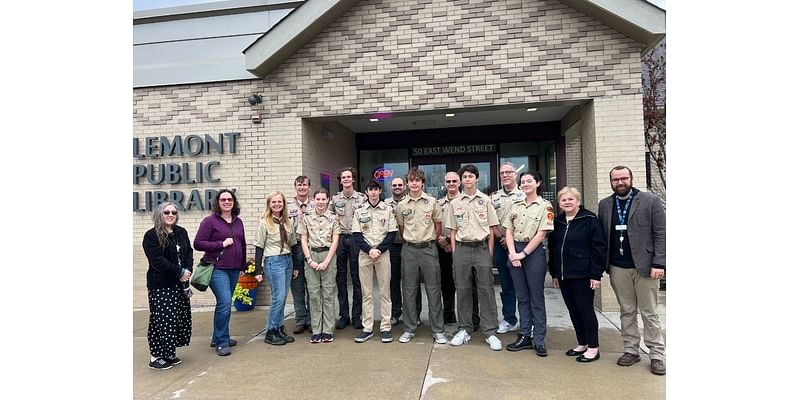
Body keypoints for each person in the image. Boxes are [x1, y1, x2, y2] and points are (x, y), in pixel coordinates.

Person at [598, 166, 666, 375]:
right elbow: (603, 236)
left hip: (645, 266)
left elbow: (661, 232)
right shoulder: (605, 204)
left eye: (623, 178)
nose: (620, 182)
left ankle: (656, 354)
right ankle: (631, 350)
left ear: (631, 179)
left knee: (649, 312)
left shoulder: (649, 200)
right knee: (627, 311)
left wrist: (659, 263)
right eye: (615, 179)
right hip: (618, 267)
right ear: (611, 182)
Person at [445, 164, 503, 351]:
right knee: (462, 290)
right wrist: (455, 253)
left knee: (486, 290)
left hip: (481, 249)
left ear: (477, 178)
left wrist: (489, 253)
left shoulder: (485, 200)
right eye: (465, 177)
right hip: (462, 249)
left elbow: (492, 229)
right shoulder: (455, 203)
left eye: (471, 176)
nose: (467, 179)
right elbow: (452, 231)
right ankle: (464, 329)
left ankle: (490, 331)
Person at [547, 187, 606, 362]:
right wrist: (555, 273)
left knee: (585, 310)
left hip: (583, 275)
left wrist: (596, 275)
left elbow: (599, 248)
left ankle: (593, 348)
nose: (567, 202)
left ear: (578, 201)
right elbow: (553, 249)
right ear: (559, 203)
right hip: (565, 276)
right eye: (563, 200)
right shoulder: (557, 223)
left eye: (570, 199)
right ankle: (582, 343)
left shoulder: (589, 219)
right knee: (573, 310)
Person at [501, 171, 554, 356]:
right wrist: (513, 253)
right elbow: (508, 230)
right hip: (515, 251)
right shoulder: (515, 205)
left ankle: (538, 339)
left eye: (529, 181)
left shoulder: (545, 206)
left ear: (538, 183)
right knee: (522, 297)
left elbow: (542, 234)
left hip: (533, 253)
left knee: (536, 298)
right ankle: (524, 335)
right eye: (522, 181)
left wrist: (523, 254)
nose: (525, 184)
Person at [395, 168, 447, 345]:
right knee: (409, 290)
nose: (414, 183)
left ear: (422, 182)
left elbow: (437, 226)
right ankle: (409, 328)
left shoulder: (432, 202)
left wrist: (429, 239)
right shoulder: (402, 205)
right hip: (409, 249)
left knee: (433, 289)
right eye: (411, 180)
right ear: (407, 183)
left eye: (417, 180)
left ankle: (438, 329)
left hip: (428, 249)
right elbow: (402, 229)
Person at [194, 189, 247, 356]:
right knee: (224, 302)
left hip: (234, 269)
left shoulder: (238, 222)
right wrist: (221, 244)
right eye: (223, 199)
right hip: (217, 269)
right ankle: (222, 341)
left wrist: (242, 267)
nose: (226, 202)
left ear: (233, 202)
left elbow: (243, 244)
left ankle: (217, 336)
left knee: (225, 304)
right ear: (218, 202)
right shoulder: (209, 221)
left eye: (229, 199)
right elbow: (198, 243)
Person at [142, 201, 193, 370]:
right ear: (159, 214)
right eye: (167, 212)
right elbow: (157, 261)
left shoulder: (181, 232)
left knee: (176, 319)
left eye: (174, 212)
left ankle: (168, 352)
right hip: (161, 285)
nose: (171, 215)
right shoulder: (151, 236)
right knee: (161, 320)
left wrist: (187, 270)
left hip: (180, 284)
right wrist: (179, 272)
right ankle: (155, 356)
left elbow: (189, 253)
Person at [352, 180, 398, 343]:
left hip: (382, 254)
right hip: (365, 255)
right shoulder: (359, 211)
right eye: (370, 189)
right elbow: (356, 234)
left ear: (380, 191)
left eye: (376, 189)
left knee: (385, 292)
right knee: (367, 293)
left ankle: (385, 327)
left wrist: (379, 250)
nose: (373, 192)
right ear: (366, 192)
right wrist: (369, 250)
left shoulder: (387, 210)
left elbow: (392, 233)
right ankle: (368, 328)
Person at [437, 171, 479, 328]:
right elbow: (435, 224)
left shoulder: (466, 201)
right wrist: (442, 241)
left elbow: (470, 225)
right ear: (445, 183)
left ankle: (473, 318)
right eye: (448, 181)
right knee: (446, 284)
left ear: (459, 182)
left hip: (463, 247)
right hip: (442, 248)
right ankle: (448, 316)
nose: (451, 183)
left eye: (454, 181)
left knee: (469, 285)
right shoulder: (438, 203)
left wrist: (450, 240)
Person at [253, 191, 296, 345]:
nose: (277, 204)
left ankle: (279, 328)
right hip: (273, 261)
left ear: (283, 204)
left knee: (283, 297)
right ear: (269, 204)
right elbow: (259, 246)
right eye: (274, 202)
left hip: (287, 260)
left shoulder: (287, 222)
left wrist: (295, 266)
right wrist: (258, 270)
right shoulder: (264, 222)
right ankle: (270, 331)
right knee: (278, 297)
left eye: (280, 202)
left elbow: (293, 244)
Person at [299, 188, 341, 343]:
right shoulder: (306, 218)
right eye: (318, 199)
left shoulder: (333, 218)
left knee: (328, 294)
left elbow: (335, 240)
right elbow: (303, 239)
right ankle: (316, 330)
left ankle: (328, 330)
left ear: (328, 200)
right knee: (314, 294)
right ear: (313, 200)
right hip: (312, 255)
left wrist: (326, 261)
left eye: (324, 199)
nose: (321, 202)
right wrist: (309, 259)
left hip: (328, 255)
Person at [330, 166, 368, 330]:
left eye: (349, 177)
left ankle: (356, 315)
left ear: (353, 179)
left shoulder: (362, 198)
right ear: (341, 180)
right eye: (343, 177)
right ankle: (344, 316)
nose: (346, 179)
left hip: (356, 239)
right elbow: (330, 220)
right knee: (341, 279)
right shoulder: (335, 199)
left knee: (357, 278)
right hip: (340, 239)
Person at [490, 162, 524, 334]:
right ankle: (509, 318)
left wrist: (511, 240)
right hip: (500, 243)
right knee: (506, 283)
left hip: (521, 245)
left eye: (508, 172)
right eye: (502, 172)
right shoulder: (494, 197)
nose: (505, 175)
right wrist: (502, 238)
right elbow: (492, 221)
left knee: (525, 284)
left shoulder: (524, 194)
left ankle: (527, 320)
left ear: (515, 174)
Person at [385, 177, 421, 326]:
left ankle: (415, 314)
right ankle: (395, 313)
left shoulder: (411, 202)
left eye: (400, 185)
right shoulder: (385, 204)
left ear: (405, 186)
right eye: (394, 185)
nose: (397, 187)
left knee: (412, 282)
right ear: (390, 187)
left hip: (409, 245)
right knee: (393, 281)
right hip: (392, 246)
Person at [287, 176, 313, 334]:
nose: (302, 187)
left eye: (305, 185)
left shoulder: (316, 204)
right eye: (299, 185)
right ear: (295, 187)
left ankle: (311, 319)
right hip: (295, 247)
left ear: (309, 187)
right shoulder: (287, 206)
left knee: (312, 284)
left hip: (311, 246)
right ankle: (300, 319)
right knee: (297, 285)